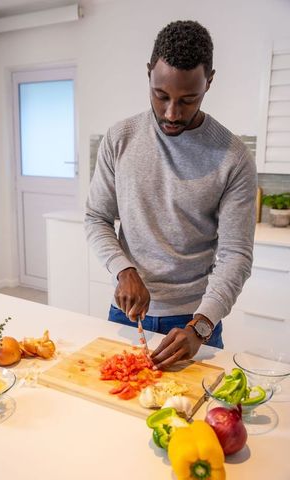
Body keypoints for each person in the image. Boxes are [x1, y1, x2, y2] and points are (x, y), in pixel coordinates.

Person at [84, 20, 257, 369]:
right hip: (125, 317)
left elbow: (236, 255)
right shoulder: (119, 138)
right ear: (149, 74)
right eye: (160, 95)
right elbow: (97, 217)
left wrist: (201, 325)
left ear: (209, 81)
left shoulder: (233, 157)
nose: (171, 113)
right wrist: (123, 270)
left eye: (188, 100)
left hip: (194, 323)